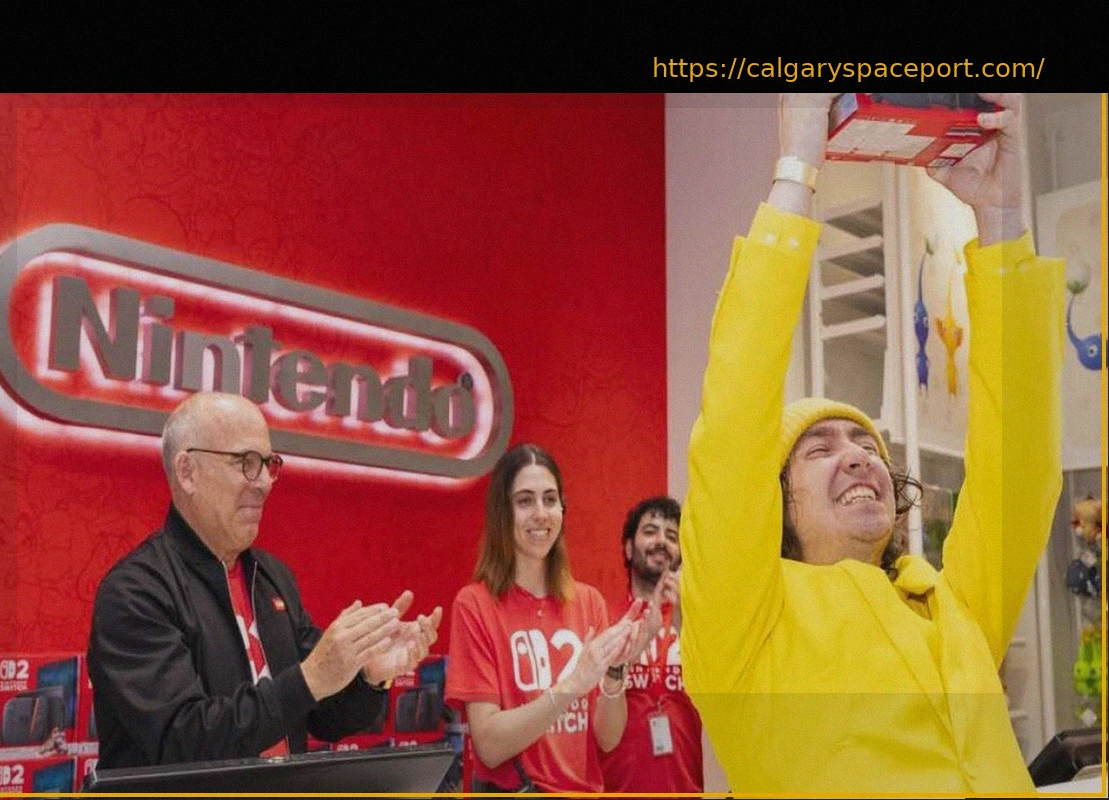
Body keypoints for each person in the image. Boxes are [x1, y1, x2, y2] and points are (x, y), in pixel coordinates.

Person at [679, 93, 1064, 794]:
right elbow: (732, 428)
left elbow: (1021, 463)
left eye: (865, 443)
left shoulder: (952, 606)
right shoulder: (745, 630)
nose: (857, 455)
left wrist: (1003, 216)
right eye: (818, 449)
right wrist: (798, 167)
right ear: (774, 503)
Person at [88, 391, 443, 768]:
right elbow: (184, 741)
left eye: (269, 464)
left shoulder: (272, 578)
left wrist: (369, 676)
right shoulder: (135, 592)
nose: (263, 483)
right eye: (246, 462)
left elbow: (324, 716)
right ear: (187, 472)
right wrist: (309, 679)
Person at [444, 443, 644, 793]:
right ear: (503, 513)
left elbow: (607, 738)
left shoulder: (589, 602)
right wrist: (572, 686)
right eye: (525, 501)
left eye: (550, 500)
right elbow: (489, 745)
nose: (540, 513)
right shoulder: (476, 605)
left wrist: (614, 672)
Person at [598, 496, 729, 793]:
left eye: (671, 536)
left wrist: (684, 619)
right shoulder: (606, 619)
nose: (661, 541)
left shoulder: (698, 625)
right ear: (629, 549)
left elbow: (723, 708)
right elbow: (599, 729)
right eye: (650, 531)